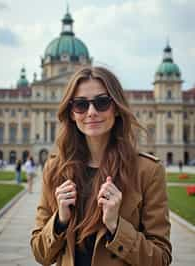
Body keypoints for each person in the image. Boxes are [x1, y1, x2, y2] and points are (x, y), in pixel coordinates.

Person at [30, 66, 172, 266]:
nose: (91, 112)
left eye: (102, 102)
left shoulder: (147, 171)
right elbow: (40, 255)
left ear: (116, 107)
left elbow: (161, 259)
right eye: (80, 105)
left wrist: (116, 227)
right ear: (71, 112)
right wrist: (60, 221)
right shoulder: (55, 169)